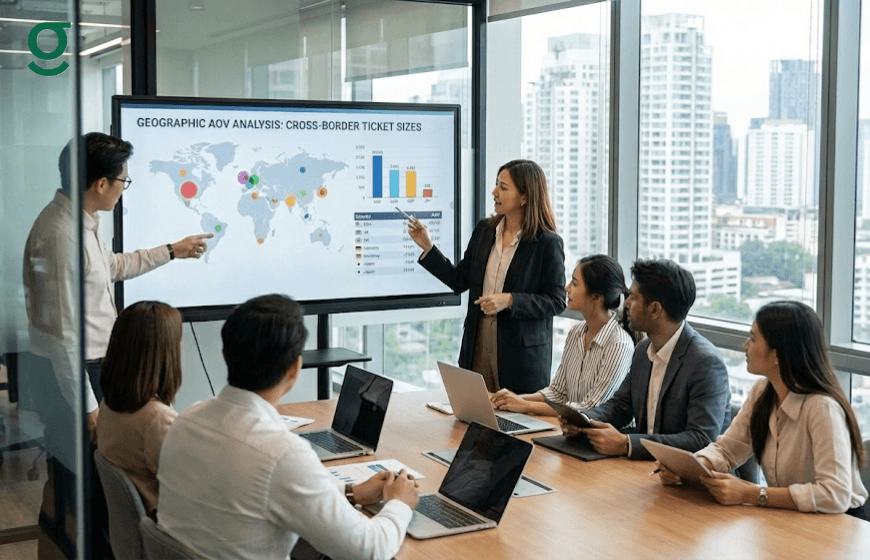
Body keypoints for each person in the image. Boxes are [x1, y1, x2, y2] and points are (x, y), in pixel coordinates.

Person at [21, 132, 211, 559]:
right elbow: (64, 336)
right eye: (123, 181)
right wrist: (88, 407)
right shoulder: (61, 237)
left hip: (88, 370)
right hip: (76, 374)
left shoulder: (79, 224)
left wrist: (171, 251)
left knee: (86, 488)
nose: (125, 190)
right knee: (87, 493)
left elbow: (112, 268)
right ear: (101, 184)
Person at [157, 294, 420, 560]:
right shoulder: (281, 454)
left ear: (226, 355)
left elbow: (260, 492)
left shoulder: (185, 420)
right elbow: (370, 550)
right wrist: (400, 503)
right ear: (295, 368)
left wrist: (350, 492)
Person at [657, 301, 869, 519]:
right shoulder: (762, 391)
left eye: (753, 338)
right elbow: (728, 449)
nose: (745, 346)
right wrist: (691, 468)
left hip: (841, 526)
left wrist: (753, 494)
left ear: (778, 353)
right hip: (793, 518)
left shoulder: (822, 408)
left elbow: (835, 494)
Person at [408, 159, 566, 393]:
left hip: (520, 357)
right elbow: (460, 280)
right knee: (476, 417)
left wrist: (510, 300)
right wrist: (429, 248)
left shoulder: (547, 243)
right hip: (479, 341)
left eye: (503, 187)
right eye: (496, 185)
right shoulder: (485, 230)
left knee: (514, 423)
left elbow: (556, 301)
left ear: (525, 197)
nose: (494, 192)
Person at [560, 259, 730, 460]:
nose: (626, 303)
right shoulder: (643, 350)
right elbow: (620, 406)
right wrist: (584, 422)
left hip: (691, 481)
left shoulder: (705, 363)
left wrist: (627, 444)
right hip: (645, 470)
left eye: (633, 296)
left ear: (655, 309)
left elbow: (700, 439)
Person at [490, 254, 635, 416]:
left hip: (601, 435)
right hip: (572, 428)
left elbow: (590, 408)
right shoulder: (576, 333)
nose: (567, 288)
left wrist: (525, 406)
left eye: (574, 283)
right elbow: (557, 393)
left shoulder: (618, 344)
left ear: (596, 296)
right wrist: (510, 400)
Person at [96, 301, 182, 517]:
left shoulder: (109, 404)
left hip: (143, 531)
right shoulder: (157, 420)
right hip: (167, 531)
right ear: (166, 353)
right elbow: (190, 488)